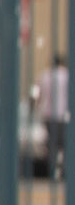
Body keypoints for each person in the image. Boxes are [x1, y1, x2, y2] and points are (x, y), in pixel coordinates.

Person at [36, 53, 69, 182]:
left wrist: (38, 109)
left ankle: (51, 170)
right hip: (63, 115)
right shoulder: (66, 75)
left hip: (48, 115)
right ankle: (64, 170)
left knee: (51, 144)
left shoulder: (44, 75)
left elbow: (39, 96)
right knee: (65, 144)